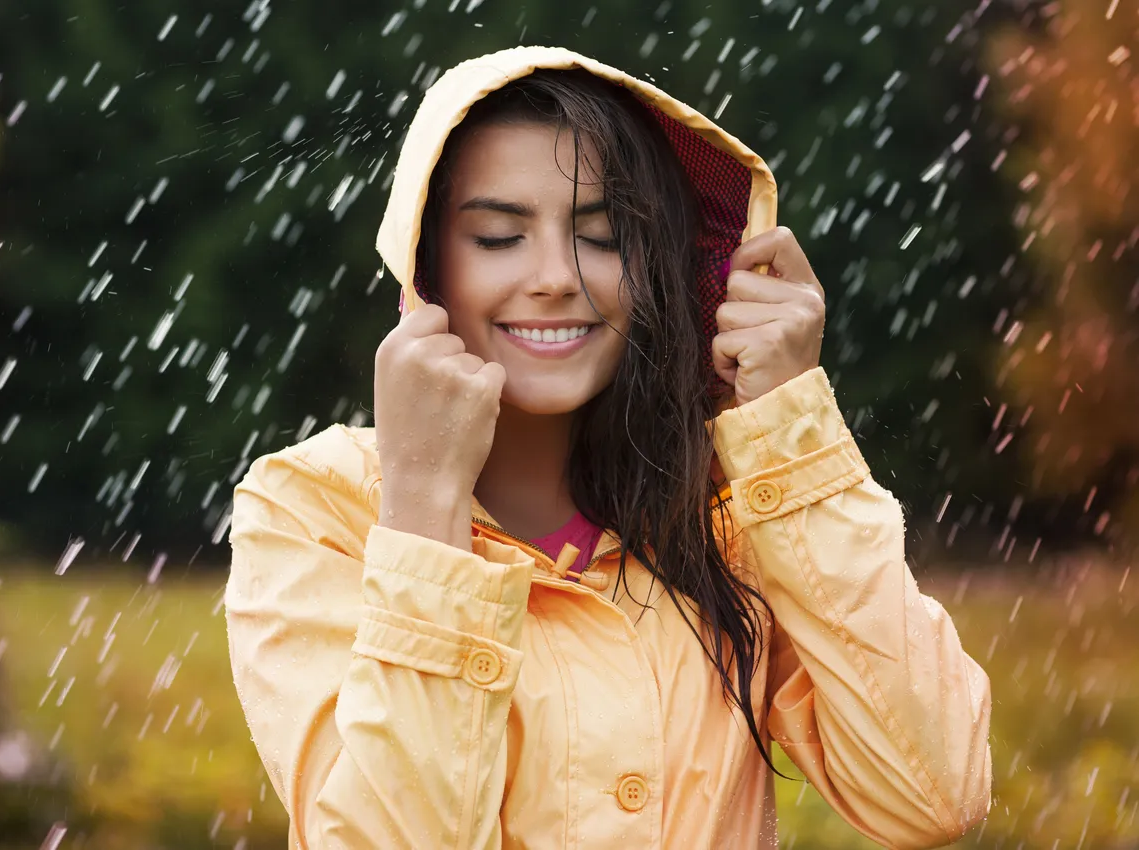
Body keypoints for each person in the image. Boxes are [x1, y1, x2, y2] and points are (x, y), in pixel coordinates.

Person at [225, 46, 992, 849]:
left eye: (604, 235)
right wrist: (422, 507)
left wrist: (791, 425)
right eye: (498, 236)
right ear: (426, 266)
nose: (557, 276)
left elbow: (933, 791)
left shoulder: (731, 514)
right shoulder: (312, 510)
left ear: (661, 265)